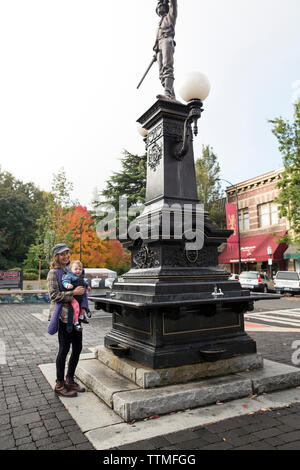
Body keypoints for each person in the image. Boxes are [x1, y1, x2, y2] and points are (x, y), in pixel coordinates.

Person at [47, 243, 86, 398]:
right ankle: (59, 384)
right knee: (64, 349)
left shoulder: (71, 271)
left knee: (77, 347)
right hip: (63, 316)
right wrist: (73, 292)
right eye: (63, 254)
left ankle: (70, 379)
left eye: (68, 253)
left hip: (75, 315)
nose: (66, 256)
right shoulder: (53, 273)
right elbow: (54, 295)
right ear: (57, 256)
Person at [154, 0, 178, 100]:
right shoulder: (158, 25)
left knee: (168, 67)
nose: (160, 8)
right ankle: (172, 96)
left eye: (161, 6)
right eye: (158, 7)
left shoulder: (171, 16)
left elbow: (174, 4)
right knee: (161, 75)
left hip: (167, 40)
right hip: (159, 47)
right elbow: (157, 39)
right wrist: (156, 51)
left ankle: (167, 94)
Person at [62, 260, 91, 332]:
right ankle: (76, 322)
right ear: (71, 269)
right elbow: (65, 281)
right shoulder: (69, 276)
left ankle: (82, 316)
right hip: (73, 297)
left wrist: (87, 286)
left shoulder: (81, 277)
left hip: (80, 296)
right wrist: (67, 285)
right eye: (76, 269)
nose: (78, 271)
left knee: (84, 304)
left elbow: (85, 282)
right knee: (76, 306)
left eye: (80, 269)